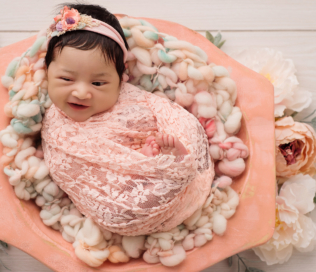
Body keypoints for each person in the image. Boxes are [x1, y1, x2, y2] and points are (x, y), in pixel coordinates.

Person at [41, 3, 214, 236]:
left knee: (184, 127)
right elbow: (76, 175)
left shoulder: (131, 97)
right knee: (115, 213)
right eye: (66, 79)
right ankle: (165, 174)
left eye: (98, 83)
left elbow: (170, 114)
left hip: (165, 164)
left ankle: (172, 167)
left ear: (121, 78)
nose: (81, 93)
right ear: (47, 71)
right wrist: (138, 170)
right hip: (122, 199)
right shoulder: (56, 129)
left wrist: (164, 150)